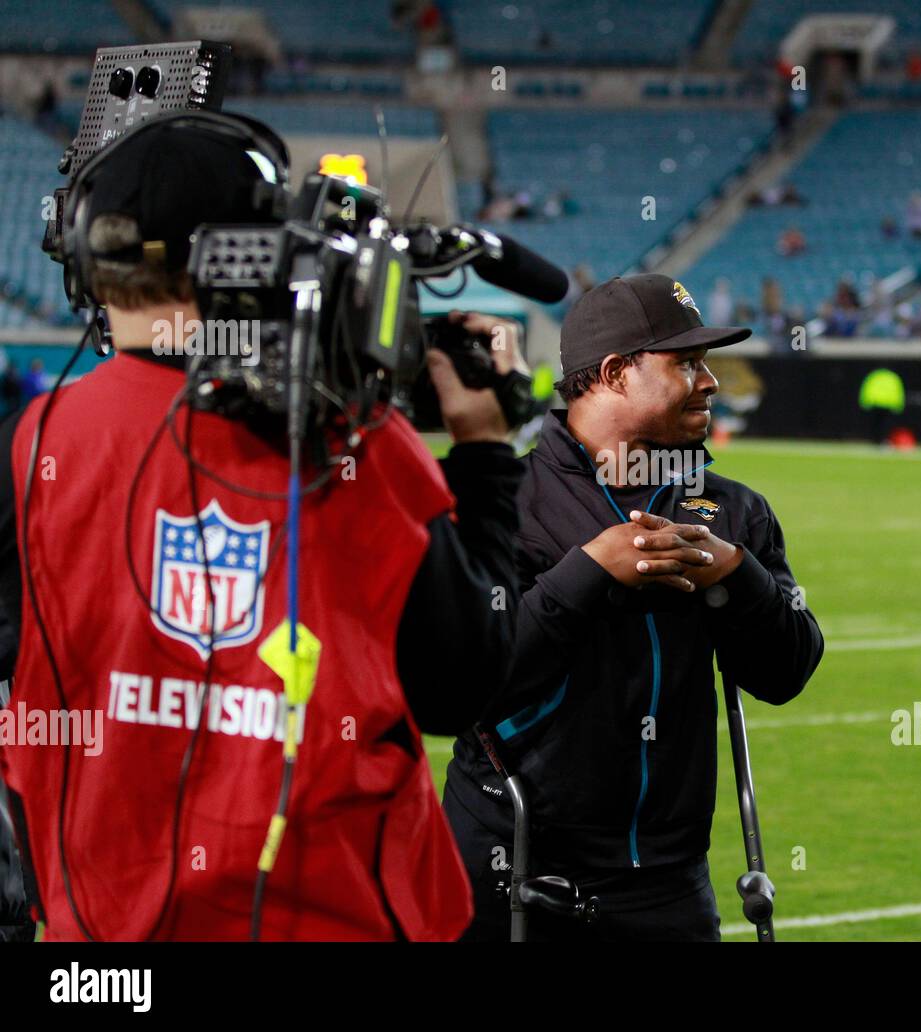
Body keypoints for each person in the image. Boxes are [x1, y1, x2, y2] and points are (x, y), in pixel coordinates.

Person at [0, 115, 527, 941]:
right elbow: (462, 682)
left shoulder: (31, 443)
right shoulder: (349, 437)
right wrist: (488, 451)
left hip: (98, 946)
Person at [442, 273, 824, 941]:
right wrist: (588, 573)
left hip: (669, 882)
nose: (710, 382)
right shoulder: (505, 502)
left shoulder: (733, 509)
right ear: (614, 373)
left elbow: (786, 672)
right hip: (512, 866)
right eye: (685, 363)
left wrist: (738, 574)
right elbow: (469, 687)